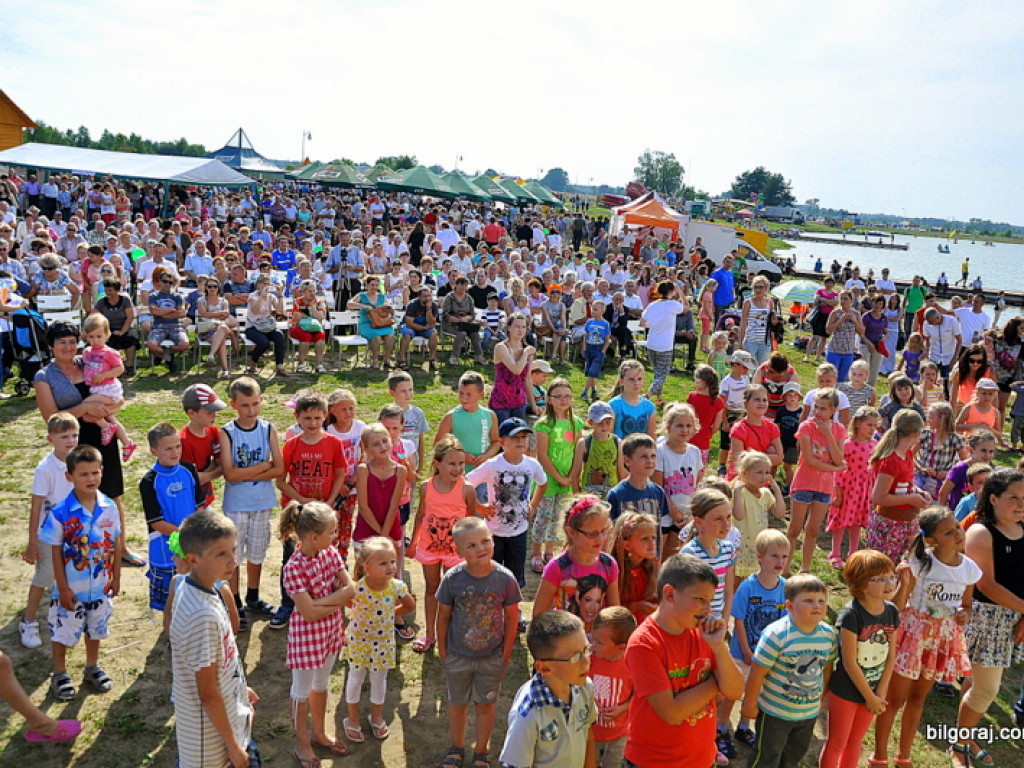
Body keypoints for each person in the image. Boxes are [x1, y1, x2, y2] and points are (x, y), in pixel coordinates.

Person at [873, 507, 981, 768]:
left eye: (957, 526)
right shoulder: (919, 564)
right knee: (895, 699)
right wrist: (904, 581)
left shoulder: (969, 569)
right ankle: (879, 756)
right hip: (914, 636)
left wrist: (965, 614)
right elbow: (897, 607)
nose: (958, 533)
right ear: (931, 540)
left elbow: (966, 604)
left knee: (918, 698)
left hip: (941, 639)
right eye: (948, 531)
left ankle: (904, 756)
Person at [34, 320, 141, 570]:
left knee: (113, 493)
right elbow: (51, 419)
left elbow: (118, 397)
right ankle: (77, 550)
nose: (69, 347)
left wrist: (107, 409)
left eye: (72, 341)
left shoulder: (89, 360)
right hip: (73, 444)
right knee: (74, 497)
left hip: (103, 436)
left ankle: (121, 548)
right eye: (62, 342)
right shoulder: (45, 377)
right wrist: (83, 410)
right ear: (51, 346)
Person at [623, 553, 744, 768]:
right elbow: (672, 713)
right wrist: (716, 685)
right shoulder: (643, 643)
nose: (707, 609)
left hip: (702, 759)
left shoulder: (704, 634)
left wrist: (718, 647)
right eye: (699, 600)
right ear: (669, 594)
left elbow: (735, 691)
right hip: (653, 762)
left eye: (709, 601)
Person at [170, 511, 260, 768]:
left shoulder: (202, 586)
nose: (233, 560)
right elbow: (207, 693)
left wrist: (239, 689)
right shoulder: (202, 615)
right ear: (193, 560)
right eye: (220, 554)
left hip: (229, 718)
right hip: (212, 748)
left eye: (233, 549)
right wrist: (233, 747)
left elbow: (220, 656)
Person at [947, 469, 1024, 767]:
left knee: (976, 684)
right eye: (1013, 498)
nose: (1020, 504)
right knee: (986, 689)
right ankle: (958, 745)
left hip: (1013, 616)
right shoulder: (981, 531)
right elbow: (986, 585)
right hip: (986, 618)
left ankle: (964, 738)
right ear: (993, 498)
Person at [436, 517, 522, 768]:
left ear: (493, 540)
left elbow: (512, 618)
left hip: (491, 657)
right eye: (471, 545)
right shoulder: (452, 579)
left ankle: (481, 751)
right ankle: (457, 747)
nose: (480, 548)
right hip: (458, 656)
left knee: (485, 705)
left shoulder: (505, 579)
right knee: (457, 703)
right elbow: (443, 616)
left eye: (485, 541)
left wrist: (505, 655)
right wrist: (443, 652)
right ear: (459, 551)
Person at [40, 444, 120, 702]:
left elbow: (115, 542)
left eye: (95, 473)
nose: (90, 479)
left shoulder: (109, 507)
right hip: (71, 590)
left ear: (102, 472)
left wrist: (116, 576)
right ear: (69, 476)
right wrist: (62, 588)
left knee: (96, 628)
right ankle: (60, 672)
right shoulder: (61, 513)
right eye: (83, 474)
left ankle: (92, 666)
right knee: (62, 630)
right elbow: (55, 551)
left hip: (100, 586)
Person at [279, 501, 354, 765]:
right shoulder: (293, 568)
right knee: (301, 691)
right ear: (314, 536)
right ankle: (301, 744)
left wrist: (316, 603)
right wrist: (334, 600)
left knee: (321, 684)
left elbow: (351, 590)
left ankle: (319, 732)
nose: (335, 536)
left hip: (331, 632)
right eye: (331, 532)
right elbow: (308, 614)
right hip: (306, 640)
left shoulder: (331, 553)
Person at [740, 573, 837, 768]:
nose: (817, 605)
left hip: (807, 714)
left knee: (793, 757)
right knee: (766, 757)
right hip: (775, 713)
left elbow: (827, 668)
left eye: (821, 600)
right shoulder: (777, 634)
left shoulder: (828, 634)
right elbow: (757, 673)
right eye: (808, 600)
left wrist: (822, 697)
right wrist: (749, 704)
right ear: (790, 606)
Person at [819, 550, 900, 768]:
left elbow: (891, 655)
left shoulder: (892, 611)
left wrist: (880, 693)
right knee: (837, 742)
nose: (890, 583)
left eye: (892, 576)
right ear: (861, 584)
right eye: (881, 579)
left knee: (855, 743)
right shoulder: (851, 615)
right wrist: (870, 697)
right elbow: (849, 662)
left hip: (874, 692)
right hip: (846, 690)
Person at [276, 390, 348, 630]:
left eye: (318, 418)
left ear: (325, 417)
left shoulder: (333, 443)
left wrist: (329, 500)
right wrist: (301, 500)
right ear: (297, 418)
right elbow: (281, 480)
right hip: (298, 513)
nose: (313, 423)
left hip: (322, 511)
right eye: (307, 418)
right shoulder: (292, 445)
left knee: (323, 556)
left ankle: (319, 600)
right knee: (291, 558)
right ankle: (288, 604)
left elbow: (340, 473)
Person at [219, 376, 284, 631]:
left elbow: (279, 468)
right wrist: (262, 467)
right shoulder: (228, 432)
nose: (251, 410)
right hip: (236, 504)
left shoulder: (268, 429)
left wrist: (249, 472)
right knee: (234, 556)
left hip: (262, 501)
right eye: (245, 405)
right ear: (233, 404)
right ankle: (233, 600)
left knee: (257, 551)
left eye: (255, 404)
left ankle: (253, 595)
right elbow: (229, 474)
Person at [407, 436, 478, 654]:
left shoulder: (467, 489)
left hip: (455, 552)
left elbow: (471, 522)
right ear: (438, 464)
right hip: (429, 548)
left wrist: (470, 549)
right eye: (452, 463)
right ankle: (430, 634)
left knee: (454, 593)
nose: (457, 468)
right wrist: (413, 541)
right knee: (432, 590)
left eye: (460, 463)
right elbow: (420, 515)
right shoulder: (426, 487)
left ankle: (453, 634)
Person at [499, 610, 597, 768]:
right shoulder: (528, 714)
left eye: (586, 649)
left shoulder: (585, 687)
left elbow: (589, 737)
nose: (586, 661)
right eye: (575, 656)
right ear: (544, 668)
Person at [342, 537, 415, 743]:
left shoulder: (397, 587)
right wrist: (366, 614)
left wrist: (388, 613)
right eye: (383, 563)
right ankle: (352, 718)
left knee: (379, 681)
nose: (390, 566)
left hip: (382, 644)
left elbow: (410, 606)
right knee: (355, 679)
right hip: (358, 642)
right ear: (367, 567)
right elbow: (347, 602)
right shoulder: (357, 588)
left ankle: (376, 716)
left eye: (392, 561)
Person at [468, 418, 546, 598]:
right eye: (515, 437)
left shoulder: (532, 464)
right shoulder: (492, 465)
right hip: (493, 533)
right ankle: (491, 608)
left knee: (515, 575)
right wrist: (478, 507)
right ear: (502, 442)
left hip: (519, 532)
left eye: (524, 437)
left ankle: (513, 611)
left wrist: (533, 505)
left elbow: (543, 483)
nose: (521, 441)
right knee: (491, 573)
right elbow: (466, 484)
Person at [19, 412, 78, 650]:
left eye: (74, 435)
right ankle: (28, 620)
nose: (71, 440)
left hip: (74, 531)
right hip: (50, 533)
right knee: (44, 577)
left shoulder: (79, 461)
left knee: (73, 573)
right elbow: (36, 508)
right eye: (64, 436)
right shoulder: (45, 469)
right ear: (50, 439)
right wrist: (32, 542)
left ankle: (68, 616)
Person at [728, 529, 789, 748]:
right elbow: (739, 621)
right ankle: (723, 725)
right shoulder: (748, 586)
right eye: (774, 555)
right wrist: (745, 651)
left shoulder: (784, 587)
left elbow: (784, 624)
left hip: (767, 656)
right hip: (743, 653)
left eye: (784, 556)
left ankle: (744, 727)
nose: (780, 561)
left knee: (755, 693)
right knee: (734, 690)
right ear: (759, 556)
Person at [139, 423, 203, 612]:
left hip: (193, 545)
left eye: (178, 446)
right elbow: (156, 522)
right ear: (154, 451)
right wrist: (185, 535)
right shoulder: (149, 481)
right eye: (168, 449)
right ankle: (172, 635)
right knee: (170, 600)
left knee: (194, 593)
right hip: (165, 551)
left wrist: (196, 535)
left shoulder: (189, 470)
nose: (175, 452)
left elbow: (199, 506)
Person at [788, 388, 847, 572]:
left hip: (824, 487)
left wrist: (828, 435)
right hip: (804, 483)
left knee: (813, 530)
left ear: (833, 411)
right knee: (794, 529)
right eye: (816, 407)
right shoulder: (806, 426)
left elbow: (839, 457)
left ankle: (805, 568)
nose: (817, 412)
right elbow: (810, 459)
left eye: (823, 408)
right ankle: (785, 566)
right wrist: (836, 469)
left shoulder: (839, 430)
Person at [532, 496, 621, 616]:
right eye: (592, 534)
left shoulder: (609, 564)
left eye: (604, 531)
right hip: (564, 633)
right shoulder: (556, 568)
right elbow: (539, 615)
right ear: (572, 532)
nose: (600, 538)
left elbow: (614, 612)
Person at [532, 378, 584, 571]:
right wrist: (559, 477)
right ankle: (536, 551)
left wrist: (570, 477)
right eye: (559, 396)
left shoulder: (576, 423)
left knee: (558, 517)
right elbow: (542, 455)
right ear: (549, 399)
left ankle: (550, 551)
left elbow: (578, 452)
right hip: (548, 481)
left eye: (567, 396)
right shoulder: (544, 424)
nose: (563, 400)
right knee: (544, 517)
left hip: (567, 480)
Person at [867, 410, 930, 565]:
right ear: (916, 433)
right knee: (885, 569)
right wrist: (911, 499)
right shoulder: (890, 460)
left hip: (907, 521)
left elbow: (904, 484)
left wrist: (918, 492)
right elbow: (879, 497)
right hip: (890, 524)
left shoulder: (907, 454)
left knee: (904, 568)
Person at [827, 406, 880, 568]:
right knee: (841, 520)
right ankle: (835, 553)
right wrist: (837, 491)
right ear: (858, 424)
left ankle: (853, 553)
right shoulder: (848, 444)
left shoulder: (874, 444)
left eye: (874, 425)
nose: (873, 429)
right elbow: (838, 468)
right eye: (869, 425)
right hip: (847, 487)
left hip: (864, 489)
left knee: (857, 521)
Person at [81, 314, 136, 459]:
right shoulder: (86, 352)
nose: (95, 340)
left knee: (86, 405)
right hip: (96, 388)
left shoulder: (109, 352)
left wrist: (104, 375)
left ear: (107, 334)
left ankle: (105, 428)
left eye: (99, 336)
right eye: (91, 337)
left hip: (108, 388)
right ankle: (127, 443)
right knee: (110, 417)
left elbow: (120, 369)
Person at [588, 606, 636, 768]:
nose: (593, 645)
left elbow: (640, 695)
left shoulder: (632, 665)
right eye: (593, 639)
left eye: (599, 642)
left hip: (618, 736)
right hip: (590, 733)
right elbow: (577, 687)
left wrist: (623, 708)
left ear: (621, 647)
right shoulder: (589, 660)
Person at [731, 451, 785, 580]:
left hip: (758, 545)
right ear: (745, 473)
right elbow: (739, 515)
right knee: (737, 582)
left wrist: (776, 490)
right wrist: (737, 492)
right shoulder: (741, 493)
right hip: (741, 544)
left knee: (755, 581)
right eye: (759, 472)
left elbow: (780, 513)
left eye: (767, 472)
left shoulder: (765, 493)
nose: (764, 476)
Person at [640, 280, 688, 405]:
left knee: (657, 372)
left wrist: (654, 325)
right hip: (665, 345)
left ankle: (659, 398)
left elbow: (643, 322)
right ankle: (648, 394)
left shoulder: (652, 305)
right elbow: (686, 307)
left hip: (651, 342)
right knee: (663, 374)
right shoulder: (672, 305)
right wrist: (682, 293)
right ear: (671, 292)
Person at [608, 512, 659, 624]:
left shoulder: (654, 566)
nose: (652, 543)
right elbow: (608, 610)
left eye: (653, 537)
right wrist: (634, 607)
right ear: (627, 545)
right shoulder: (614, 569)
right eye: (645, 539)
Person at [489, 313, 536, 423]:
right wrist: (525, 354)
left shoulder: (527, 350)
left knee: (518, 437)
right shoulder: (501, 347)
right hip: (501, 401)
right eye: (517, 326)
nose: (521, 330)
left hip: (520, 402)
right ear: (509, 327)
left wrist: (533, 405)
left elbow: (528, 378)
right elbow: (516, 370)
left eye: (523, 327)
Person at [92, 276, 139, 376]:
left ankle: (129, 365)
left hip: (124, 326)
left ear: (117, 290)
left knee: (131, 340)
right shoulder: (101, 302)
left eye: (110, 290)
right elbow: (95, 316)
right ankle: (111, 367)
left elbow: (130, 317)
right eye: (106, 290)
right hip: (108, 329)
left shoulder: (125, 300)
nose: (108, 293)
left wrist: (122, 331)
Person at [245, 273, 288, 377]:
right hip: (253, 327)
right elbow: (255, 311)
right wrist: (262, 296)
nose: (267, 286)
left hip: (267, 326)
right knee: (264, 343)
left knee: (279, 335)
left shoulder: (271, 296)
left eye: (269, 284)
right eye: (264, 284)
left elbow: (280, 310)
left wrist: (280, 295)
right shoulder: (253, 296)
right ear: (258, 284)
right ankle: (254, 361)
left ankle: (279, 365)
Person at [147, 270, 190, 372]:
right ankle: (169, 359)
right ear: (160, 282)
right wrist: (170, 310)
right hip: (158, 325)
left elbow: (181, 313)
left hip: (175, 326)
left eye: (170, 282)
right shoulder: (153, 295)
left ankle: (164, 354)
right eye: (165, 281)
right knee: (151, 345)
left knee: (184, 344)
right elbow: (154, 311)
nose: (167, 284)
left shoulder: (177, 296)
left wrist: (161, 312)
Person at [442, 275, 485, 365]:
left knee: (475, 333)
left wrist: (467, 318)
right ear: (456, 285)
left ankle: (479, 356)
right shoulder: (449, 297)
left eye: (465, 285)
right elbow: (445, 314)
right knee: (461, 333)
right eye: (461, 284)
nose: (463, 287)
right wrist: (457, 319)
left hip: (465, 323)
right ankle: (454, 357)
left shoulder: (469, 298)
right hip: (451, 323)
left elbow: (472, 314)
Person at [609, 358, 657, 439]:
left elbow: (652, 437)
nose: (636, 383)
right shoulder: (613, 405)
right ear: (621, 382)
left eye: (639, 379)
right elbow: (608, 436)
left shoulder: (649, 407)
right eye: (631, 379)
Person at [289, 279, 328, 374]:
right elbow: (297, 318)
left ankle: (319, 364)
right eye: (309, 291)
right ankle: (301, 365)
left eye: (314, 290)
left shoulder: (320, 302)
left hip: (314, 327)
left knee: (321, 335)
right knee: (306, 336)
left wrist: (312, 308)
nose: (312, 293)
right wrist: (313, 315)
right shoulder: (297, 302)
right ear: (303, 292)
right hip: (298, 327)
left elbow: (321, 317)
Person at [824, 291, 864, 382]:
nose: (842, 301)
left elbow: (861, 331)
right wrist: (841, 320)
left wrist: (854, 321)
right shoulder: (835, 313)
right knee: (831, 377)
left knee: (842, 379)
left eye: (845, 299)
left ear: (852, 300)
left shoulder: (856, 314)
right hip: (834, 350)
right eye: (841, 299)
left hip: (848, 351)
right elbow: (828, 330)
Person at [398, 286, 440, 368]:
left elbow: (431, 322)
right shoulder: (412, 305)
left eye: (429, 296)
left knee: (433, 334)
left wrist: (428, 309)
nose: (427, 298)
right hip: (410, 325)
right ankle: (402, 359)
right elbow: (409, 323)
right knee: (407, 335)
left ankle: (432, 358)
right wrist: (424, 328)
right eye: (424, 296)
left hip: (425, 325)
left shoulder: (433, 305)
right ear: (419, 297)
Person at [738, 275, 774, 364]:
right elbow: (743, 323)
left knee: (762, 367)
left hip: (765, 341)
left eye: (760, 287)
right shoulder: (748, 302)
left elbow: (771, 323)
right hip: (751, 340)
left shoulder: (769, 302)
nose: (758, 290)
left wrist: (773, 340)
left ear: (766, 288)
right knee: (750, 367)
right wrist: (741, 341)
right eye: (755, 287)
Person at [710, 254, 736, 321]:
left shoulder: (730, 273)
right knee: (718, 321)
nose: (729, 264)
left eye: (731, 262)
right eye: (727, 262)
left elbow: (732, 286)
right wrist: (711, 302)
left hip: (728, 301)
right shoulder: (717, 273)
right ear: (723, 262)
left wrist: (733, 296)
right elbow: (710, 287)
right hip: (719, 301)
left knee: (726, 321)